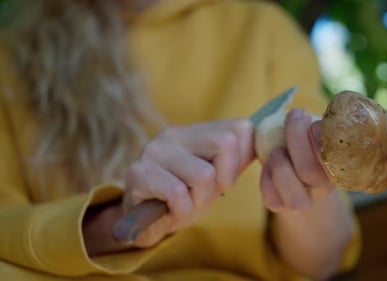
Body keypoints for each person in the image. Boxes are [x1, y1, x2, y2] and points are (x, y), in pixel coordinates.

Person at [0, 0, 361, 280]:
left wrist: (308, 191)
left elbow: (323, 261)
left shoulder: (263, 29)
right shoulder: (10, 60)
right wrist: (115, 221)